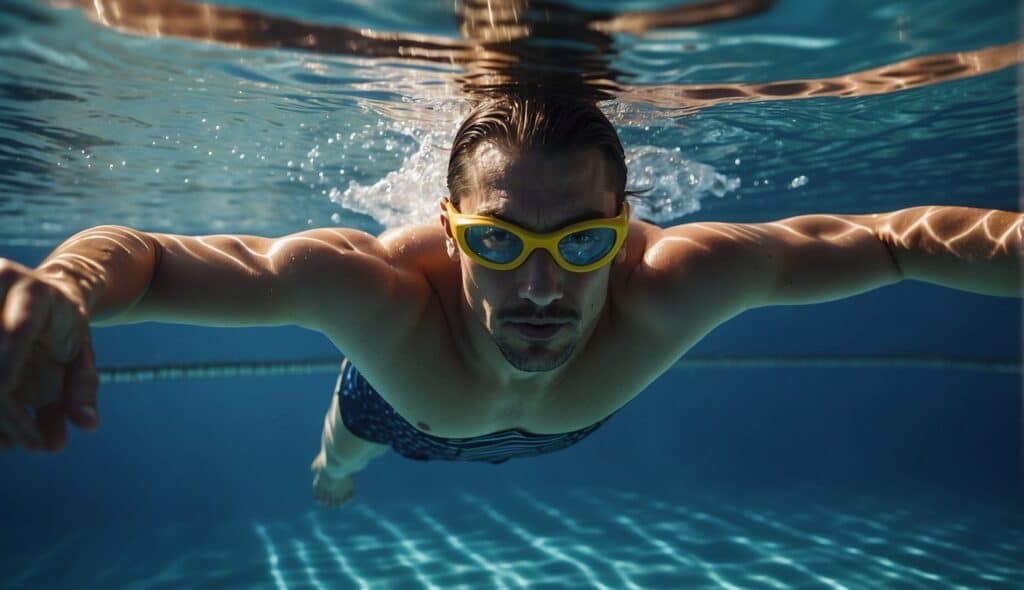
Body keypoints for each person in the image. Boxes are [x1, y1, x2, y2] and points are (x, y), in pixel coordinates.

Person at [0, 92, 1020, 508]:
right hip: (393, 401)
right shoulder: (377, 292)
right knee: (344, 447)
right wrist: (66, 286)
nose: (540, 284)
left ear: (623, 230)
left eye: (580, 241)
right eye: (498, 240)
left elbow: (897, 241)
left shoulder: (683, 281)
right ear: (450, 229)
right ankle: (329, 469)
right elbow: (146, 254)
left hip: (554, 423)